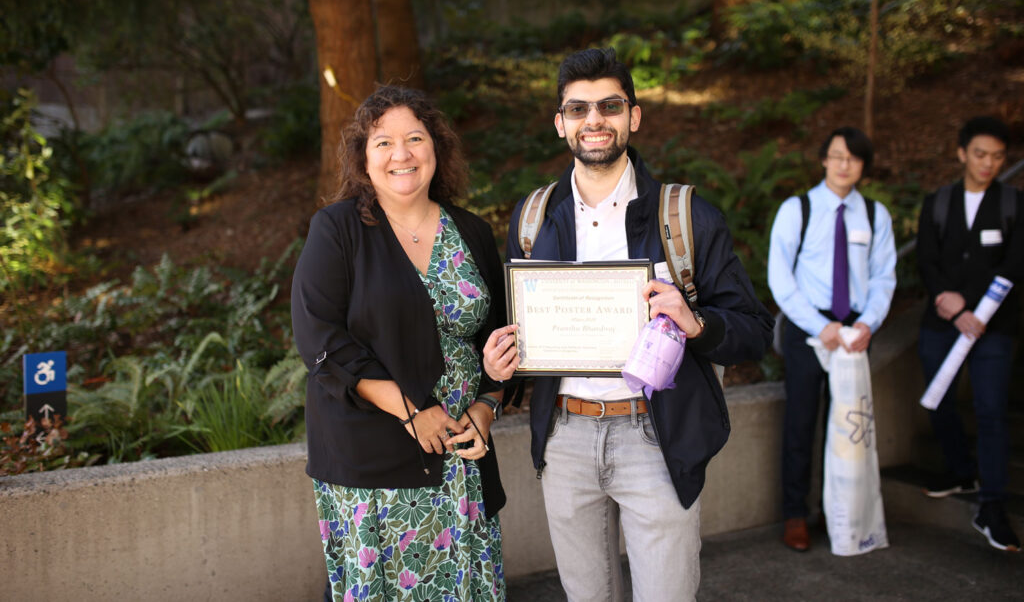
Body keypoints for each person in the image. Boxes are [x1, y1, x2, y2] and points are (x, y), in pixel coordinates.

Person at [483, 48, 773, 601]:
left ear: (633, 116)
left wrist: (696, 323)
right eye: (578, 109)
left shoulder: (685, 217)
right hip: (566, 438)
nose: (594, 120)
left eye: (609, 105)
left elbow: (755, 331)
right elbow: (521, 334)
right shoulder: (532, 218)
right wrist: (503, 366)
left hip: (655, 435)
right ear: (560, 123)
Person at [291, 85, 510, 600]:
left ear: (436, 148)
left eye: (414, 138)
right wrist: (413, 411)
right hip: (372, 460)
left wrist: (485, 409)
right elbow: (319, 338)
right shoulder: (337, 229)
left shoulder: (473, 233)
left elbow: (500, 343)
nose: (401, 154)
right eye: (383, 142)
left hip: (462, 457)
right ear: (363, 158)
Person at [767, 127, 897, 552]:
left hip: (856, 333)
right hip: (812, 331)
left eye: (854, 158)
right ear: (824, 159)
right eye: (837, 156)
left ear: (863, 166)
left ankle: (838, 512)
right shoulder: (797, 209)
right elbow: (780, 278)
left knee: (847, 426)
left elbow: (883, 277)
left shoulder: (875, 216)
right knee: (801, 424)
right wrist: (815, 325)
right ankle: (795, 515)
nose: (845, 165)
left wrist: (869, 324)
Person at [916, 116, 1023, 552]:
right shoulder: (938, 202)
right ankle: (962, 469)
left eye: (998, 156)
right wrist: (947, 298)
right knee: (936, 398)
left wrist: (973, 309)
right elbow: (925, 259)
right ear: (962, 153)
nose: (989, 163)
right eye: (980, 154)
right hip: (941, 321)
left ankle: (992, 505)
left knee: (992, 410)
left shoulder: (1015, 205)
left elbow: (1015, 265)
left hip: (995, 328)